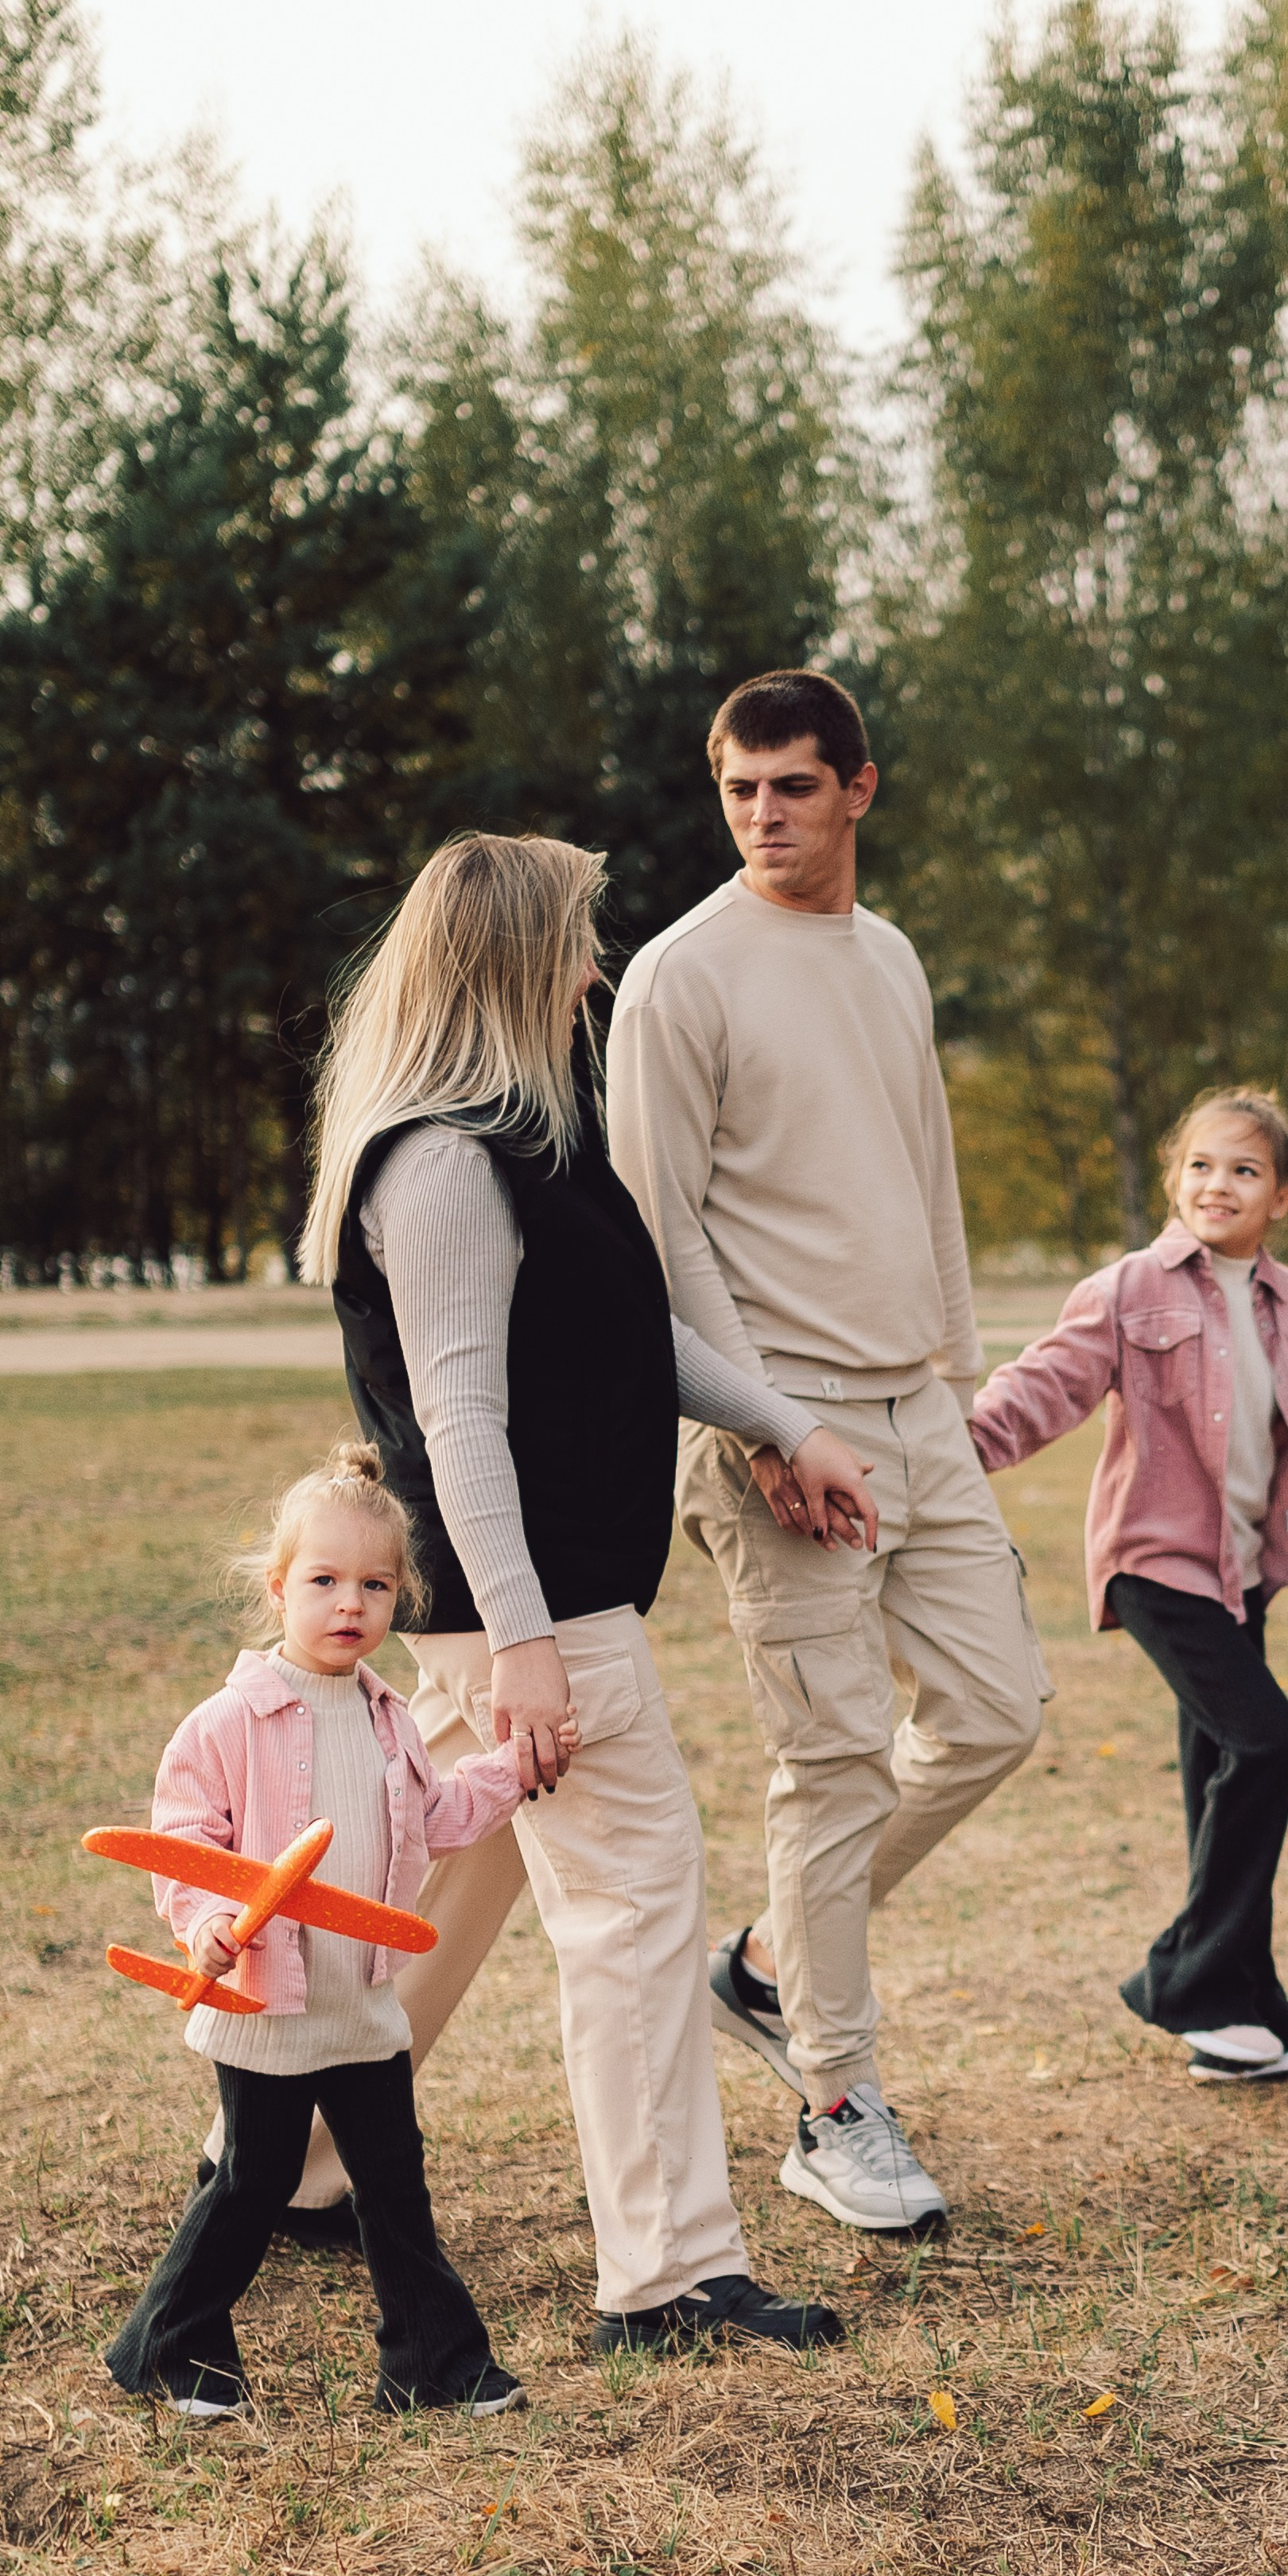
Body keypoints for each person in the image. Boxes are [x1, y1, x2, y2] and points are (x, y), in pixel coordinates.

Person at [266, 831, 875, 2353]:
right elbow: (462, 1420)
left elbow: (629, 1340)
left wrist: (783, 1424)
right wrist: (526, 1646)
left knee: (430, 1883)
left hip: (525, 1610)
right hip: (531, 1610)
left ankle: (285, 2163)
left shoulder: (533, 1137)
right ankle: (669, 2274)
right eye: (579, 942)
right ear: (518, 960)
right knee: (636, 1909)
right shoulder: (441, 1164)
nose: (598, 969)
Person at [608, 670, 1049, 2238]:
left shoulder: (889, 954)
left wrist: (955, 1378)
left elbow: (925, 1175)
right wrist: (759, 1425)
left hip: (914, 1404)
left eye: (793, 785)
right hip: (776, 1425)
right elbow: (658, 1235)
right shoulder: (677, 979)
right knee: (835, 1763)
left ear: (859, 788)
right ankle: (834, 2106)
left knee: (996, 1711)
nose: (763, 815)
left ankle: (765, 1962)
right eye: (739, 789)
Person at [966, 1088, 1288, 2083]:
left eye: (1245, 1171)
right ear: (1175, 1178)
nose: (1220, 1185)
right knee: (1266, 1743)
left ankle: (1248, 2012)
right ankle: (1187, 1981)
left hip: (1240, 1574)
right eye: (1202, 1166)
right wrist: (953, 1447)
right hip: (1157, 1564)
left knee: (1221, 1775)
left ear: (1281, 1198)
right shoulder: (1129, 1289)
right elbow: (1043, 1385)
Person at [107, 1447, 541, 2419]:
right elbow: (185, 1842)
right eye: (325, 1581)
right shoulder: (229, 1722)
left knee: (394, 2185)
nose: (351, 1603)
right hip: (268, 2006)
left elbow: (435, 1819)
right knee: (251, 2182)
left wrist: (512, 1769)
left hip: (360, 2004)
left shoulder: (390, 1720)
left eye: (375, 1586)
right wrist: (209, 1921)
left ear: (400, 1597)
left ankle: (433, 2363)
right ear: (278, 1588)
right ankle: (168, 2345)